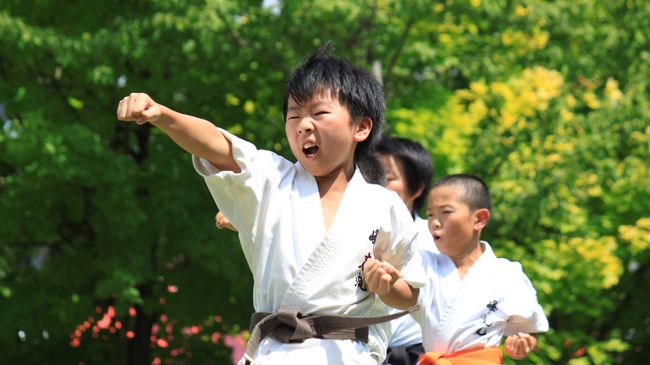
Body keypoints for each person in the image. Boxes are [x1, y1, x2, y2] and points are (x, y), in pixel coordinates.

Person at [116, 44, 426, 365]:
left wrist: (387, 286)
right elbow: (218, 145)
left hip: (346, 355)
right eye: (294, 115)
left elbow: (410, 293)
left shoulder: (383, 205)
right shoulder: (272, 179)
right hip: (273, 354)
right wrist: (162, 115)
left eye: (319, 113)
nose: (304, 125)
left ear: (360, 127)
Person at [413, 174, 549, 364]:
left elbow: (530, 326)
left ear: (479, 219)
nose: (435, 222)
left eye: (445, 212)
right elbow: (399, 292)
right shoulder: (423, 263)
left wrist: (524, 343)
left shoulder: (506, 274)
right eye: (430, 214)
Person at [375, 137, 434, 365]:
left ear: (417, 188)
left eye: (388, 178)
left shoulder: (436, 242)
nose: (376, 185)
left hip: (416, 355)